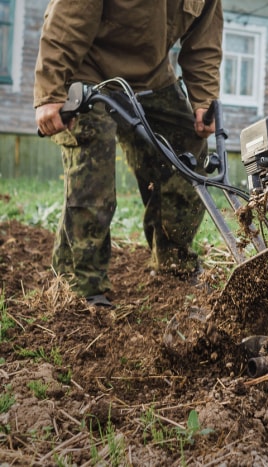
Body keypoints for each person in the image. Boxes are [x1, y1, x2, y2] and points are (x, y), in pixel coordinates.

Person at [34, 0, 223, 307]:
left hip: (154, 78)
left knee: (187, 152)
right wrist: (50, 88)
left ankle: (172, 264)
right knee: (93, 174)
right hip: (89, 69)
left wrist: (204, 99)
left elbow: (204, 43)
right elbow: (68, 16)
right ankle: (79, 287)